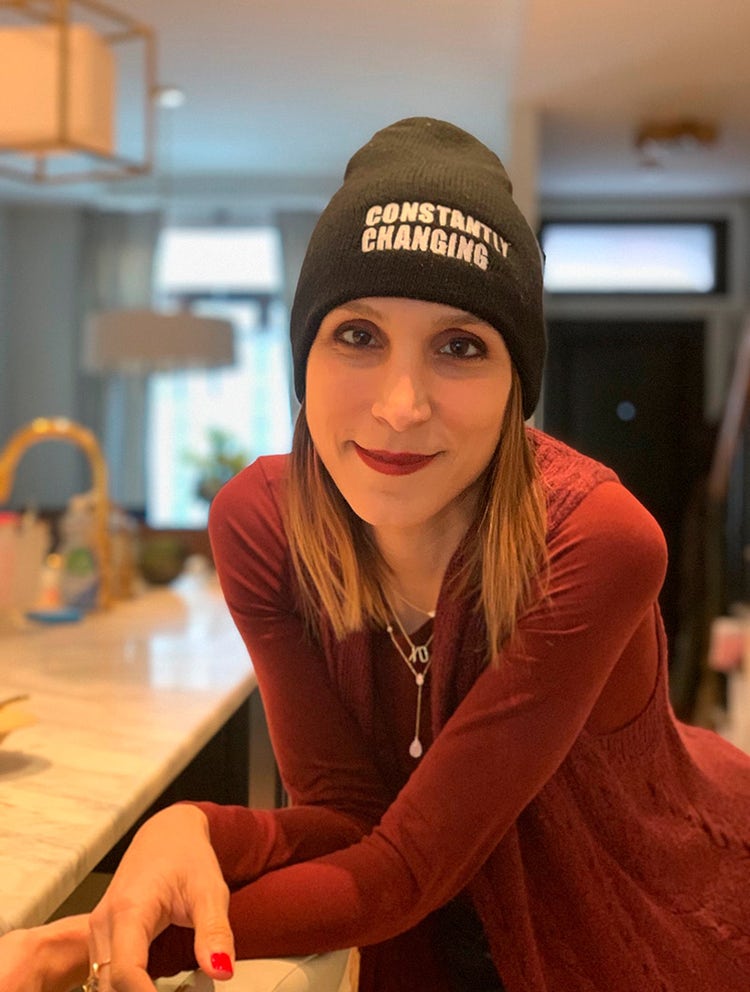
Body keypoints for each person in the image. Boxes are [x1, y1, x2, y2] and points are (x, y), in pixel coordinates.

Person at [2, 117, 749, 992]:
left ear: (518, 387)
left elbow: (405, 867)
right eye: (357, 334)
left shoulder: (595, 541)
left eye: (461, 346)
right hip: (430, 937)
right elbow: (350, 820)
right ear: (304, 356)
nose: (400, 405)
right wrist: (195, 827)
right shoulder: (261, 525)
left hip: (640, 921)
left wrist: (80, 945)